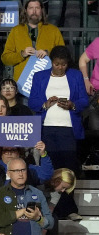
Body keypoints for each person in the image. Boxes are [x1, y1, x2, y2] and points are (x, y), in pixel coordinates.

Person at [28, 45, 88, 173]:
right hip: (47, 128)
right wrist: (45, 104)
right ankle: (52, 193)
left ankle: (67, 193)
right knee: (51, 167)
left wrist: (72, 105)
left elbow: (84, 100)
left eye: (63, 64)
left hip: (68, 129)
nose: (60, 67)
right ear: (51, 61)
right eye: (57, 64)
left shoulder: (76, 75)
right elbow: (32, 102)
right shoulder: (39, 76)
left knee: (69, 169)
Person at [0, 142, 52, 230]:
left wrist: (43, 154)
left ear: (19, 152)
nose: (9, 153)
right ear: (1, 152)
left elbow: (46, 175)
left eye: (13, 150)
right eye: (5, 150)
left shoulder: (28, 169)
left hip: (23, 224)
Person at [0, 158, 54, 235]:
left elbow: (50, 224)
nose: (21, 174)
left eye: (23, 170)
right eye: (16, 171)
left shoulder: (37, 193)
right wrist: (21, 212)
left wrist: (38, 219)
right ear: (9, 173)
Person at [1, 0, 64, 82]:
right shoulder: (16, 31)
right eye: (31, 8)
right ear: (26, 10)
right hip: (22, 84)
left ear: (42, 10)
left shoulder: (53, 30)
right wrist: (22, 54)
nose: (34, 11)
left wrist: (48, 54)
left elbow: (63, 55)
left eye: (37, 8)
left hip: (48, 81)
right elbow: (5, 59)